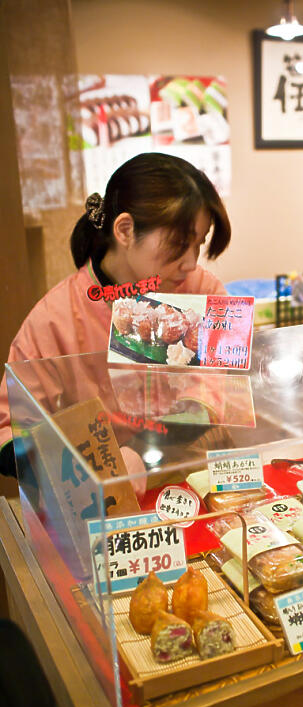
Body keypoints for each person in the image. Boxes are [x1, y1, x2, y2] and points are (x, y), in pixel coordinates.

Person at [0, 152, 231, 478]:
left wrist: (140, 452)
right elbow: (11, 434)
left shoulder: (204, 290)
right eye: (180, 243)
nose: (191, 262)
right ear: (125, 230)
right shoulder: (54, 318)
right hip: (103, 495)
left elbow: (208, 398)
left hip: (193, 483)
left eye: (199, 243)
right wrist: (95, 462)